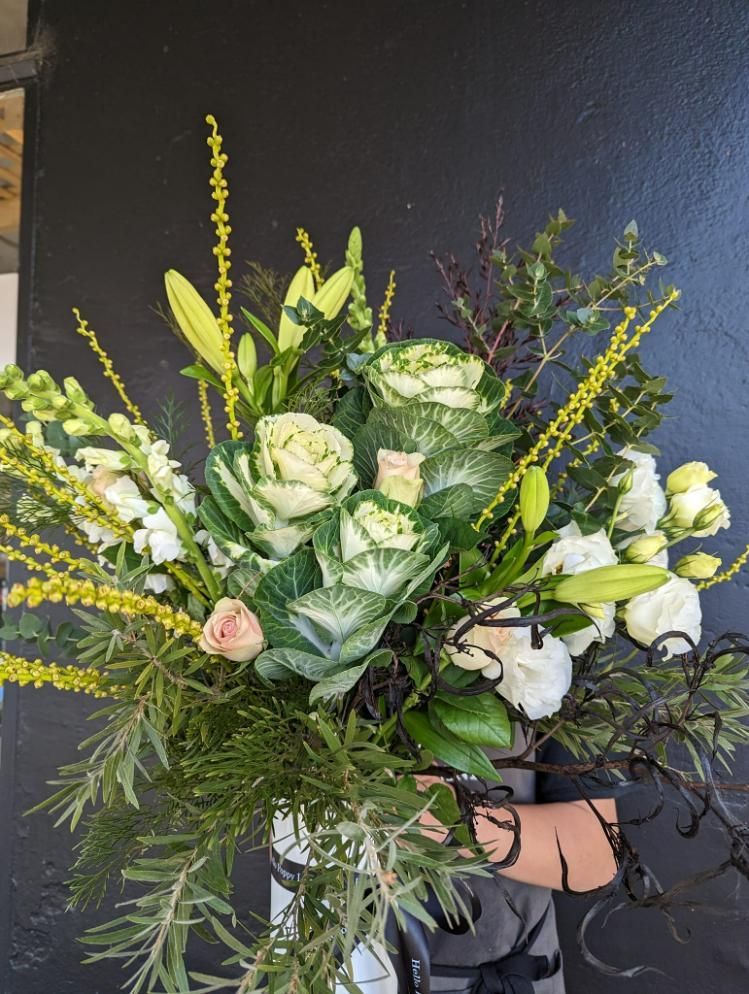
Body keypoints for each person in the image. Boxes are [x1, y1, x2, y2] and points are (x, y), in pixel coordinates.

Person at [417, 735, 619, 994]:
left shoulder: (553, 697)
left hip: (497, 977)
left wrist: (454, 820)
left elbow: (596, 855)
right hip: (357, 970)